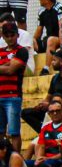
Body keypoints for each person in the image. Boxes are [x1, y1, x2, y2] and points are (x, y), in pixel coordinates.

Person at [21, 49, 62, 133]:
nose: (52, 62)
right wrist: (42, 104)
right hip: (53, 107)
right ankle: (46, 133)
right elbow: (48, 97)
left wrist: (53, 104)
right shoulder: (55, 78)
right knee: (26, 113)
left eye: (54, 60)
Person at [0, 22, 29, 152]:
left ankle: (16, 157)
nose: (10, 38)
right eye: (7, 35)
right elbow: (9, 68)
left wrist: (8, 66)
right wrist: (7, 65)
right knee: (0, 131)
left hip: (13, 96)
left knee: (14, 132)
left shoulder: (22, 51)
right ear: (3, 36)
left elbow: (11, 70)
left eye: (12, 35)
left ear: (17, 35)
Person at [32, 0, 62, 75]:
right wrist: (33, 40)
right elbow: (39, 29)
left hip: (59, 38)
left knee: (50, 40)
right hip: (48, 39)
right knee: (30, 41)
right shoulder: (42, 11)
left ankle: (46, 68)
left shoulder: (59, 8)